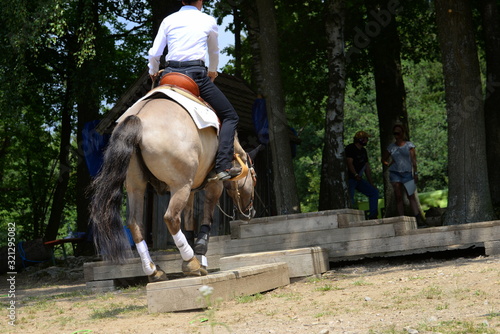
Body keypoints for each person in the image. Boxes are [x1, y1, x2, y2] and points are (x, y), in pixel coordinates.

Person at [147, 0, 240, 181]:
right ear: (201, 1)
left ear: (181, 0)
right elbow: (214, 52)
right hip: (195, 76)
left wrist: (152, 71)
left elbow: (154, 54)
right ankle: (223, 166)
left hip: (169, 74)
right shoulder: (208, 20)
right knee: (231, 116)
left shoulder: (169, 20)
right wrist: (212, 71)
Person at [381, 124, 425, 226]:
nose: (396, 135)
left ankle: (418, 219)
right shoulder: (391, 147)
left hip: (407, 174)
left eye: (398, 133)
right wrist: (389, 164)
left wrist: (416, 173)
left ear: (402, 133)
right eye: (394, 133)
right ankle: (402, 220)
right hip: (395, 174)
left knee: (411, 196)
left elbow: (414, 161)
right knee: (398, 196)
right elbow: (383, 159)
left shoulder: (409, 145)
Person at [346, 131, 379, 219]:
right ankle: (349, 218)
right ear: (360, 139)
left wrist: (371, 183)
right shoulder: (350, 148)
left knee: (374, 192)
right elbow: (349, 163)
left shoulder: (363, 151)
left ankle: (373, 215)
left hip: (358, 179)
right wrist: (355, 174)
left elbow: (366, 167)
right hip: (350, 178)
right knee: (351, 199)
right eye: (365, 139)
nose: (367, 141)